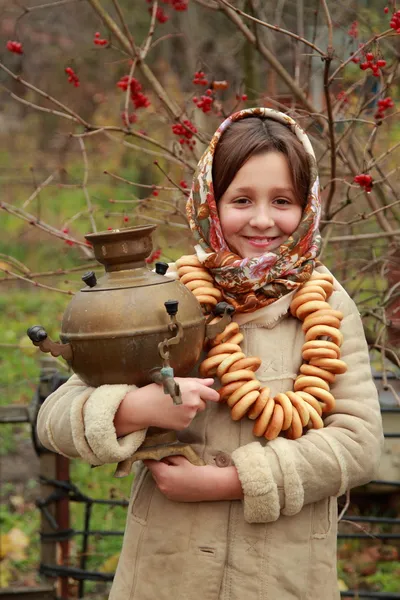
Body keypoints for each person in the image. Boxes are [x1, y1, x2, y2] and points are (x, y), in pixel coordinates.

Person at [37, 107, 383, 600]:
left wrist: (231, 482)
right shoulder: (162, 297)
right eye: (241, 199)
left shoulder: (329, 305)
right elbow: (55, 418)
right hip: (167, 573)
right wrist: (131, 409)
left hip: (283, 576)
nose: (263, 220)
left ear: (306, 206)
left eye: (281, 200)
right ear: (209, 203)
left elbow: (359, 443)